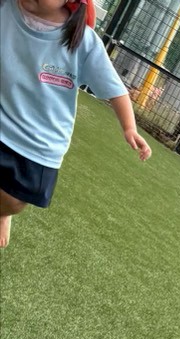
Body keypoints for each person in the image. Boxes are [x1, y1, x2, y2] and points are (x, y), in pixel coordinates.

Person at [0, 0, 151, 249]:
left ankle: (4, 213)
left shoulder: (82, 41)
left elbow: (115, 89)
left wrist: (129, 127)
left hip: (40, 141)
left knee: (14, 200)